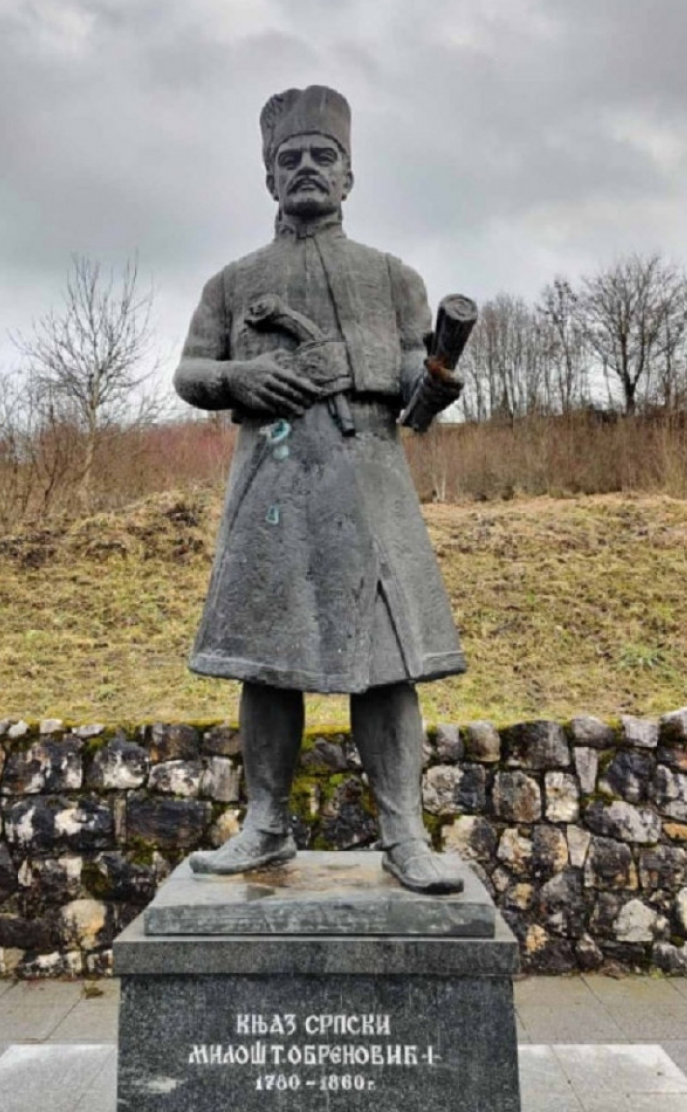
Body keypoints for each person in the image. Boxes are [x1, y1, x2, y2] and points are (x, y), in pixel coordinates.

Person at [174, 85, 467, 894]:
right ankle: (265, 826)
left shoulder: (393, 277)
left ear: (348, 176)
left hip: (371, 487)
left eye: (323, 156)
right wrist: (241, 377)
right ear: (270, 178)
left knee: (388, 666)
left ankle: (404, 835)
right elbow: (190, 371)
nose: (306, 167)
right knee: (266, 666)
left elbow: (411, 376)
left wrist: (433, 383)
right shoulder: (234, 282)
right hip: (273, 489)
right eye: (290, 158)